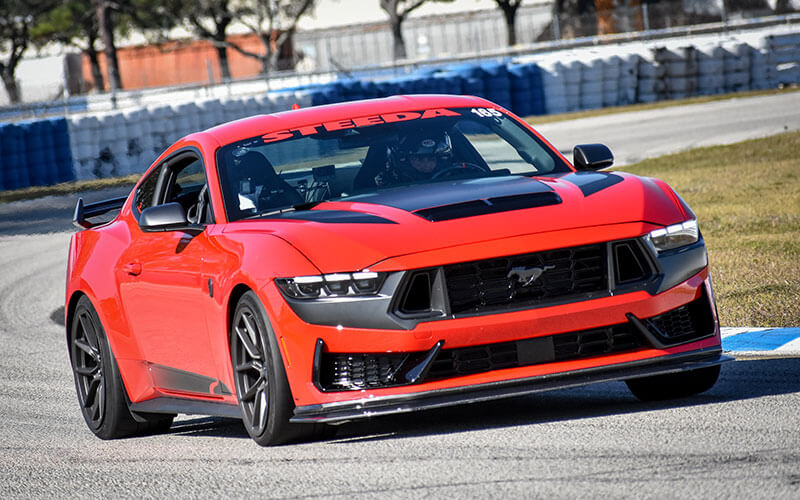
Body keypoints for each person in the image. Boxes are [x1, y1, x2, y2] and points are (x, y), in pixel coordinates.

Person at [374, 130, 453, 187]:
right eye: (419, 158)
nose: (426, 162)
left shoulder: (453, 176)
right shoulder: (390, 185)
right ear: (406, 160)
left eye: (431, 157)